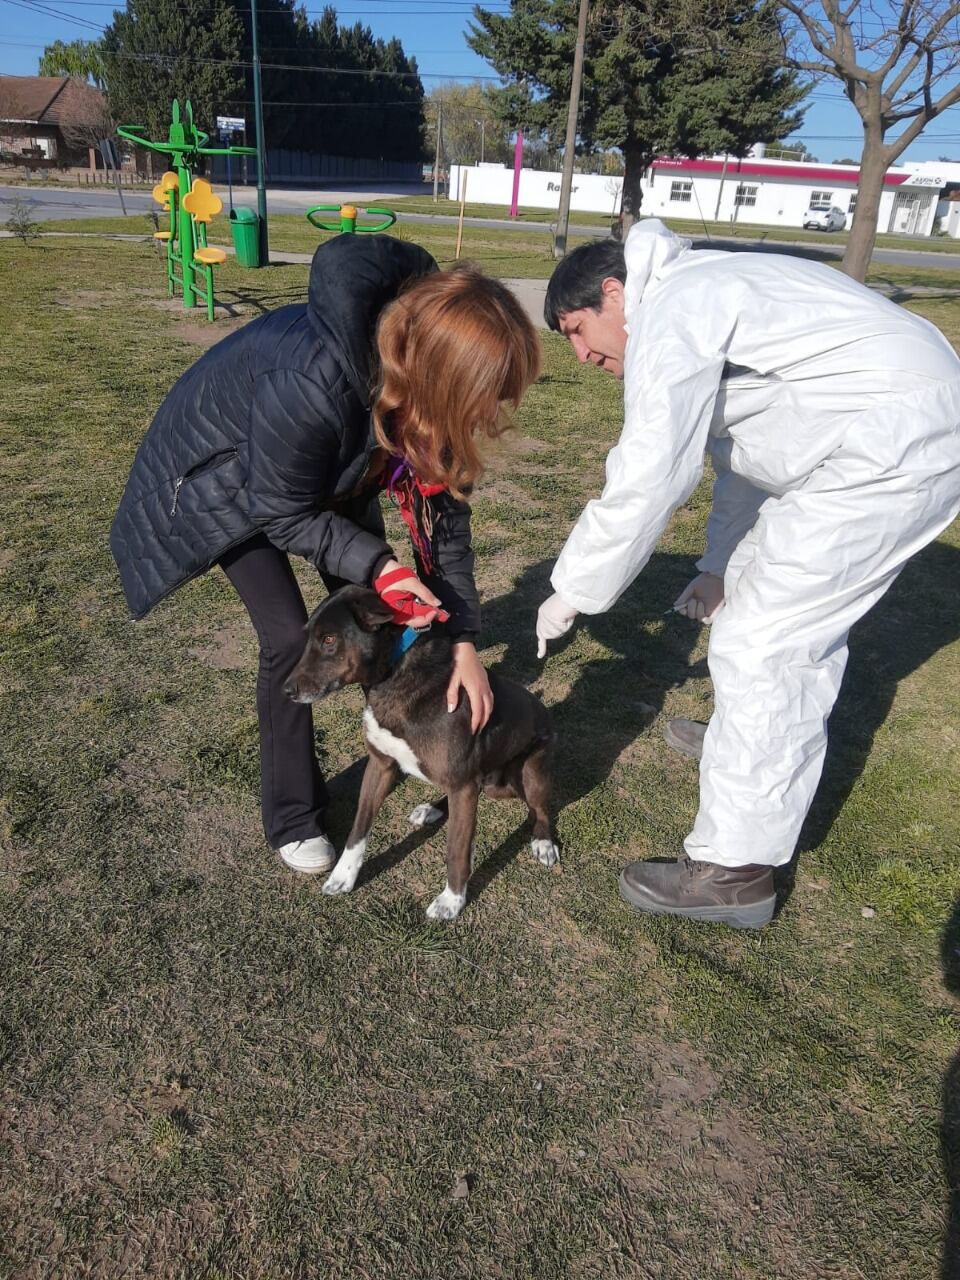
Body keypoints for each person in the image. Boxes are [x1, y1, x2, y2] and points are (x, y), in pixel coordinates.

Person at [536, 220, 960, 929]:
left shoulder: (675, 307)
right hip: (864, 439)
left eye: (579, 329)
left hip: (895, 443)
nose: (580, 355)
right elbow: (746, 452)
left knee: (769, 640)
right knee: (757, 603)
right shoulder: (703, 294)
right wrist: (717, 567)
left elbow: (649, 470)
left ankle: (735, 871)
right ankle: (748, 743)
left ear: (616, 292)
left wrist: (574, 586)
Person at [111, 234, 540, 876]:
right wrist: (380, 563)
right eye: (483, 396)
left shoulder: (418, 395)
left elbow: (444, 522)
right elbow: (281, 509)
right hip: (230, 482)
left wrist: (464, 643)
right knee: (289, 636)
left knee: (379, 608)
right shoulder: (310, 380)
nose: (490, 413)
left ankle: (395, 733)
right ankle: (292, 816)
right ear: (441, 376)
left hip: (331, 474)